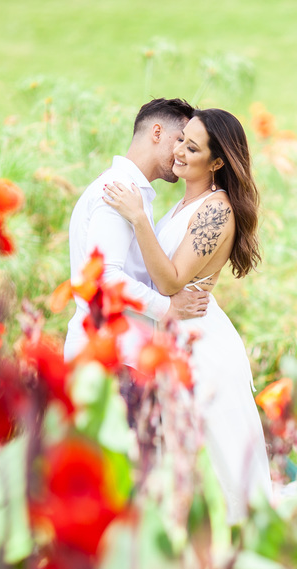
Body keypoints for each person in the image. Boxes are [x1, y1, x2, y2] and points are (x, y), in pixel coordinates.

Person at [102, 108, 270, 523]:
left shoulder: (217, 210)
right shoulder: (184, 205)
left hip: (203, 346)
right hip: (176, 337)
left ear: (217, 163)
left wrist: (138, 217)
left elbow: (171, 280)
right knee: (180, 461)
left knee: (217, 458)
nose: (178, 151)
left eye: (192, 148)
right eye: (181, 140)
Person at [62, 98, 210, 363]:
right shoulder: (118, 191)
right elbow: (105, 276)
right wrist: (168, 308)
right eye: (180, 139)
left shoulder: (131, 194)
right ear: (157, 133)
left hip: (117, 351)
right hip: (106, 353)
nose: (182, 152)